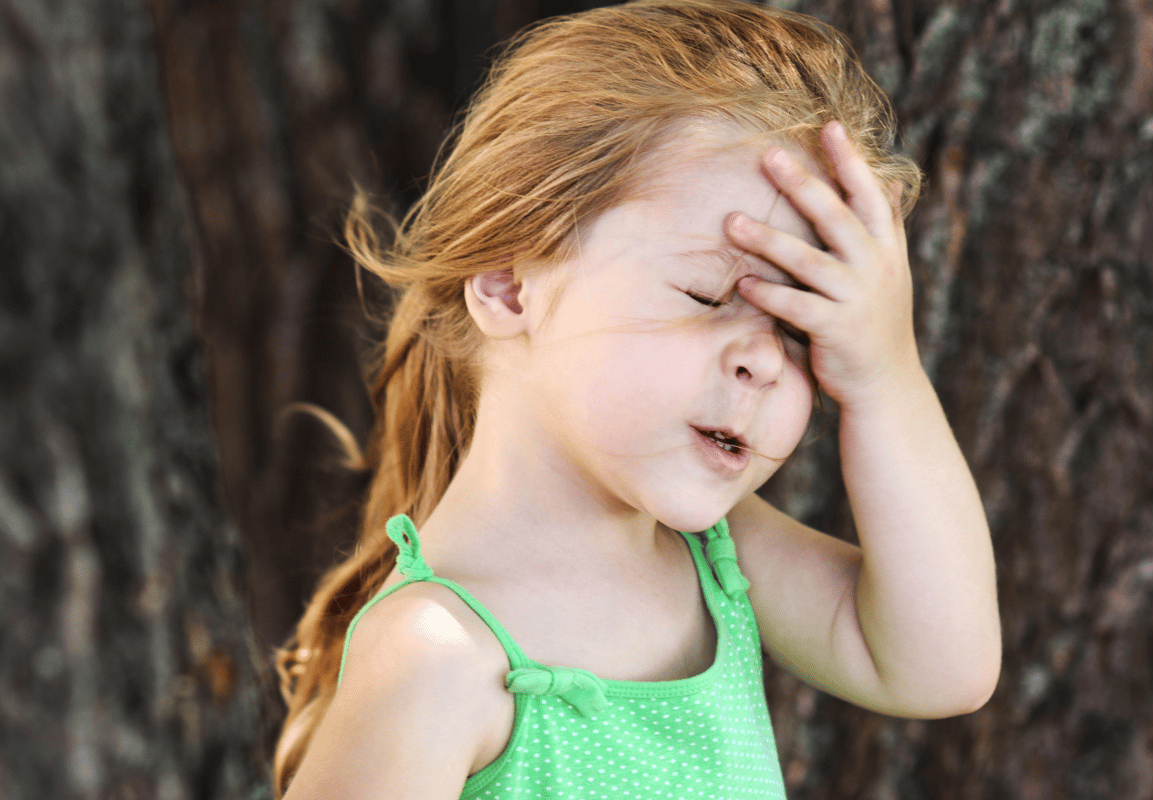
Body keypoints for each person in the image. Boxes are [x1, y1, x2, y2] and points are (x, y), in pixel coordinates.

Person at [274, 1, 1002, 797]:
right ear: (509, 286)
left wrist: (884, 374)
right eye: (704, 292)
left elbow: (943, 667)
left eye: (799, 331)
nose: (764, 359)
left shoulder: (717, 558)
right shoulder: (435, 658)